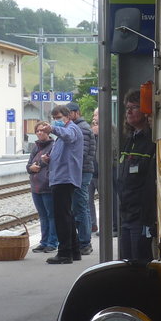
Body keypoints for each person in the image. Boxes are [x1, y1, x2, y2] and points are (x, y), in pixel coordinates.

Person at [117, 89, 157, 263]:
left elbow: (150, 183)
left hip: (141, 217)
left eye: (134, 107)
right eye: (127, 108)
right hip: (127, 215)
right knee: (127, 261)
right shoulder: (129, 140)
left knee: (140, 262)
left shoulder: (151, 142)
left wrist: (148, 218)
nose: (129, 112)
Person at [47, 104, 84, 264]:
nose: (56, 121)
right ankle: (74, 251)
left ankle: (64, 253)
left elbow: (68, 136)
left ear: (68, 117)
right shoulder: (65, 132)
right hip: (62, 177)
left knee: (62, 217)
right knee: (67, 215)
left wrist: (53, 129)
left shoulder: (72, 129)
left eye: (59, 118)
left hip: (64, 178)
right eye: (54, 119)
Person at [68, 102, 96, 255]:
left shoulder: (82, 129)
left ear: (76, 113)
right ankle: (82, 241)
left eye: (68, 114)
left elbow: (80, 153)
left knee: (80, 207)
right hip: (79, 172)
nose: (66, 117)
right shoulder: (79, 127)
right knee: (78, 206)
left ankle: (85, 243)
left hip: (81, 172)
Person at [26, 121, 57, 253]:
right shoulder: (35, 147)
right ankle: (43, 242)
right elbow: (29, 165)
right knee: (43, 216)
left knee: (51, 215)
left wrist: (37, 165)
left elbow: (46, 163)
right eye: (38, 131)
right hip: (36, 186)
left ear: (48, 132)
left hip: (47, 185)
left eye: (43, 130)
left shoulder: (54, 145)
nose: (40, 133)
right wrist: (30, 168)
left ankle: (52, 242)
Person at [89, 108, 100, 234]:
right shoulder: (90, 131)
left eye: (96, 114)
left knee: (104, 201)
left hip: (101, 172)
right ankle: (92, 224)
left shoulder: (109, 130)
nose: (94, 117)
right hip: (90, 171)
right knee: (88, 201)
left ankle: (106, 225)